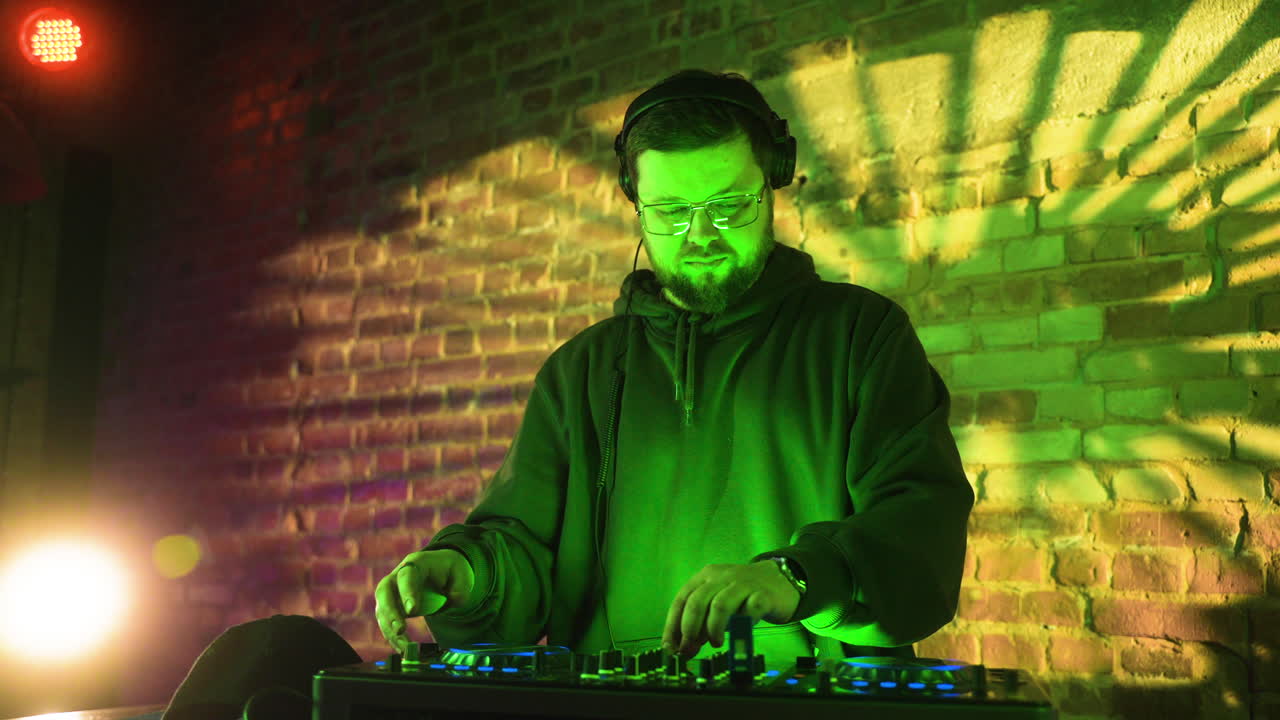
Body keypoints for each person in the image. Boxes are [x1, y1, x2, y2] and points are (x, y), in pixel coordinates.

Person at [374, 68, 974, 672]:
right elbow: (524, 554)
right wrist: (470, 576)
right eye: (670, 210)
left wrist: (796, 579)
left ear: (773, 184)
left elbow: (920, 529)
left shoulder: (861, 337)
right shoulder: (578, 373)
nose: (701, 234)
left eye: (729, 205)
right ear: (635, 202)